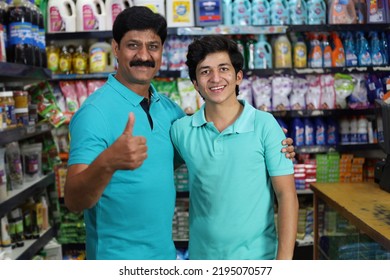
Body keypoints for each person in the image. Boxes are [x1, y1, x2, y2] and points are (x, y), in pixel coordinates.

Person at [64, 6, 295, 260]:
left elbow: (199, 152)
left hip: (165, 256)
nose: (144, 55)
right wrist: (108, 163)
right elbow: (74, 201)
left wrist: (275, 144)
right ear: (116, 48)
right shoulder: (94, 113)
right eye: (133, 45)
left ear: (162, 51)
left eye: (152, 46)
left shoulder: (170, 112)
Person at [170, 35, 299, 260]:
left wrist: (284, 264)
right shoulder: (182, 131)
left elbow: (286, 195)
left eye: (223, 69)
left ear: (238, 76)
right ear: (195, 83)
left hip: (258, 260)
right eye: (205, 71)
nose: (215, 78)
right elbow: (156, 168)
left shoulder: (265, 125)